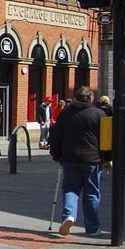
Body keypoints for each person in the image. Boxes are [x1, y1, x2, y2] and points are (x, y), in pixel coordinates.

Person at [49, 86, 105, 236]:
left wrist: (56, 154)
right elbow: (107, 139)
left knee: (70, 188)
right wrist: (109, 158)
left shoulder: (66, 113)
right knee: (91, 192)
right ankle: (92, 227)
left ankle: (69, 216)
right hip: (92, 158)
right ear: (90, 99)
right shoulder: (100, 114)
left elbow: (55, 135)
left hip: (70, 157)